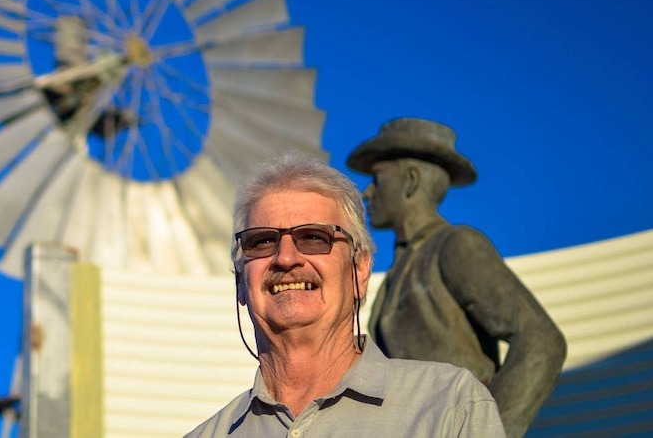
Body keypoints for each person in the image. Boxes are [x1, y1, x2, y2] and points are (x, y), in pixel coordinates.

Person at [186, 152, 505, 437]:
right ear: (241, 280)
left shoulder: (449, 407)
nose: (285, 258)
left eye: (313, 237)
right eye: (262, 241)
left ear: (360, 270)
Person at [346, 118, 567, 438]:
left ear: (410, 180)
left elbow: (542, 342)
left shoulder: (456, 245)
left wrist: (489, 430)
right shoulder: (395, 275)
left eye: (377, 178)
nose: (366, 193)